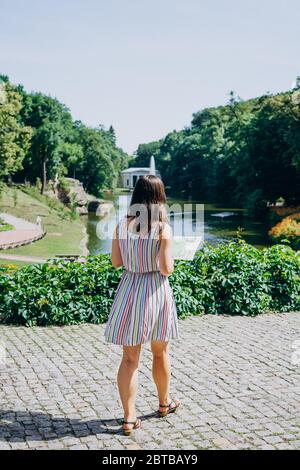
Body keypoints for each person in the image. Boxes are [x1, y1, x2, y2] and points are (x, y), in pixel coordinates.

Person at [104, 175, 180, 436]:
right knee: (160, 353)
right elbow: (166, 269)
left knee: (129, 359)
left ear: (136, 195)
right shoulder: (163, 228)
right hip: (156, 292)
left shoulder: (120, 226)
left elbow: (116, 262)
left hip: (129, 291)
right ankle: (163, 404)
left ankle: (128, 418)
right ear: (160, 197)